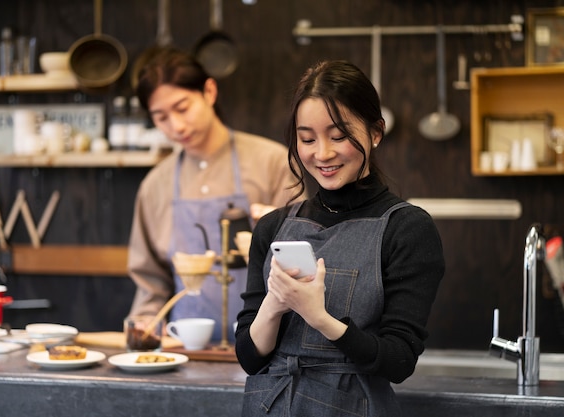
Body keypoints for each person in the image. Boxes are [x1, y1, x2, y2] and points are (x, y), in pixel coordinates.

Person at [235, 60, 445, 416]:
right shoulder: (272, 227)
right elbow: (250, 358)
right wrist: (275, 303)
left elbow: (398, 361)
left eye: (339, 136)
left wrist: (320, 317)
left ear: (375, 132)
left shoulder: (407, 229)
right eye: (307, 139)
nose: (323, 153)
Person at [127, 46, 298, 342]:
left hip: (270, 347)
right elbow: (150, 278)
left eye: (182, 108)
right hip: (185, 349)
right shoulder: (155, 185)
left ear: (208, 91)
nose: (176, 125)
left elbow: (303, 252)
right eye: (161, 117)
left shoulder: (271, 162)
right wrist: (144, 321)